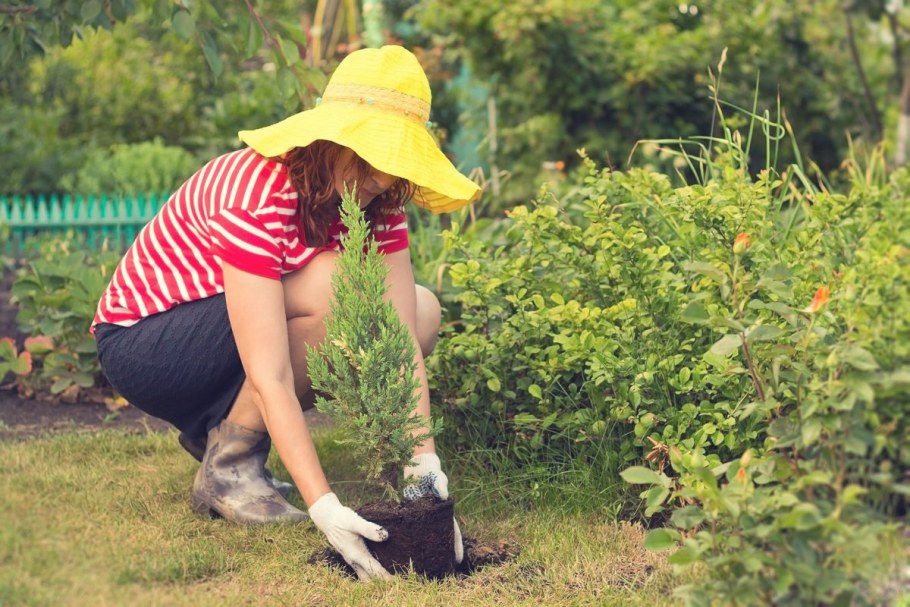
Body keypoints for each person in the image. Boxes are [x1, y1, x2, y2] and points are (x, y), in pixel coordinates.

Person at [91, 45, 481, 581]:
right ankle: (230, 468)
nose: (385, 180)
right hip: (149, 344)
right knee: (341, 290)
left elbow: (397, 335)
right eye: (372, 158)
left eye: (396, 163)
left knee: (422, 311)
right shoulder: (257, 189)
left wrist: (423, 469)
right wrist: (324, 505)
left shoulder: (375, 200)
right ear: (332, 137)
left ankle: (226, 434)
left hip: (231, 332)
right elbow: (269, 371)